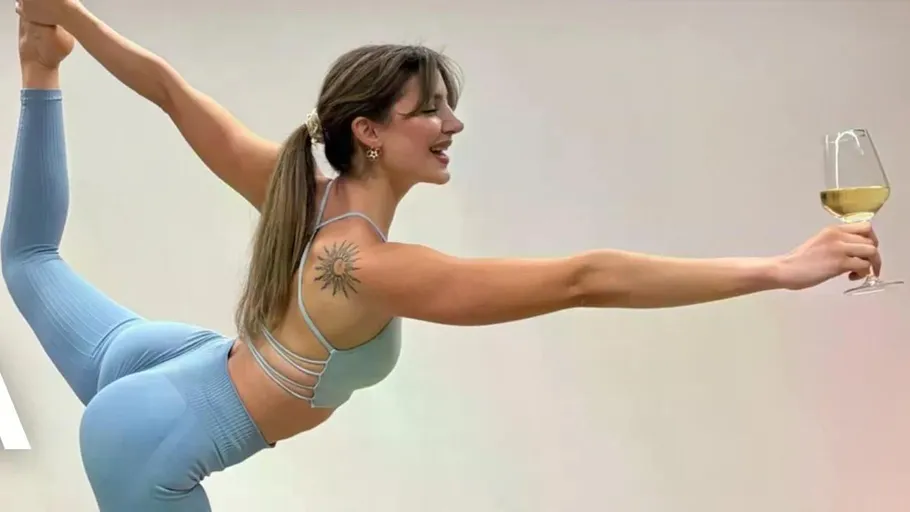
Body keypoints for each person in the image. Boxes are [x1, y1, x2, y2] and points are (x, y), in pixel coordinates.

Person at [10, 4, 882, 511]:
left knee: (28, 258)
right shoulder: (373, 266)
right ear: (370, 132)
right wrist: (777, 268)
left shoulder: (297, 195)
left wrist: (65, 18)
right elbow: (586, 278)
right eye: (430, 110)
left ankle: (36, 68)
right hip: (153, 445)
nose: (452, 125)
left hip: (161, 363)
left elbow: (166, 89)